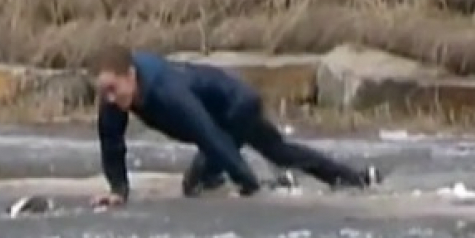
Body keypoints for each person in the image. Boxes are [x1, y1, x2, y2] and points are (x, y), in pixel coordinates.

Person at [88, 44, 381, 208]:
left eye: (114, 89)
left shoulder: (168, 93)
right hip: (217, 116)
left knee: (201, 182)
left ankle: (283, 184)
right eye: (104, 93)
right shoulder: (113, 99)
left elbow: (210, 137)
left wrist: (250, 187)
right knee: (277, 152)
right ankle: (355, 178)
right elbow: (112, 142)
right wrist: (118, 190)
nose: (110, 99)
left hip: (236, 105)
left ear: (130, 74)